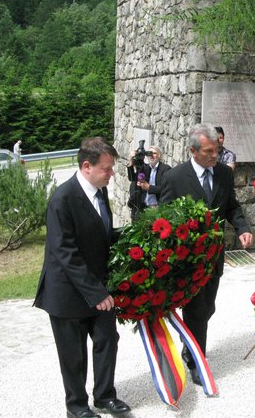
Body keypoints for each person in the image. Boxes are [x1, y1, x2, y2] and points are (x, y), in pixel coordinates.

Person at [33, 137, 130, 418]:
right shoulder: (62, 199)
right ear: (87, 166)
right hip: (67, 292)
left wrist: (134, 237)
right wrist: (97, 293)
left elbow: (100, 235)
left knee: (107, 341)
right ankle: (76, 407)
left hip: (97, 286)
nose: (111, 174)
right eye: (107, 169)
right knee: (73, 354)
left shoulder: (100, 193)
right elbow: (65, 252)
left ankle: (105, 396)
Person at [159, 124, 253, 385]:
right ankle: (195, 360)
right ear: (193, 151)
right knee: (197, 310)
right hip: (188, 260)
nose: (215, 156)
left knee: (206, 308)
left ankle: (191, 347)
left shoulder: (223, 173)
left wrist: (243, 228)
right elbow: (165, 220)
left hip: (214, 257)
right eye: (209, 151)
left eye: (217, 150)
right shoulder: (175, 177)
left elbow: (231, 206)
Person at [126, 145, 171, 221]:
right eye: (149, 154)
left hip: (157, 208)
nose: (151, 156)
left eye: (154, 153)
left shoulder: (165, 169)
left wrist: (149, 188)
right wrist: (131, 160)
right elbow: (132, 178)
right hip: (143, 208)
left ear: (159, 155)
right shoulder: (145, 168)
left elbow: (166, 189)